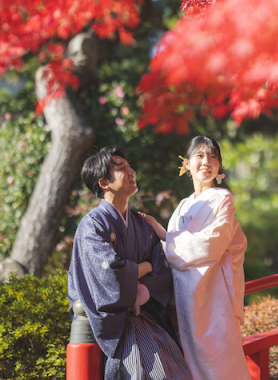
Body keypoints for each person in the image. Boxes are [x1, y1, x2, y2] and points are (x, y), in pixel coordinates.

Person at [68, 146, 191, 380]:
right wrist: (143, 268)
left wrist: (133, 272)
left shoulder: (143, 224)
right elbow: (110, 275)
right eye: (121, 168)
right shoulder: (91, 226)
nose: (132, 171)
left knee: (178, 370)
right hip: (114, 326)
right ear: (104, 182)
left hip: (145, 318)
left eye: (129, 165)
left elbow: (161, 269)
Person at [142, 136, 251, 380]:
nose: (206, 162)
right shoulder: (181, 206)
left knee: (220, 363)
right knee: (189, 366)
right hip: (183, 300)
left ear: (219, 166)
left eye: (213, 157)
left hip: (214, 298)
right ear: (187, 164)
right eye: (199, 156)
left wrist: (165, 237)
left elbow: (210, 245)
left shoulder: (223, 198)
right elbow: (169, 254)